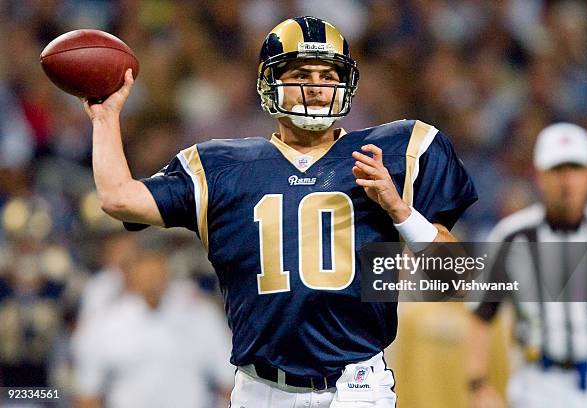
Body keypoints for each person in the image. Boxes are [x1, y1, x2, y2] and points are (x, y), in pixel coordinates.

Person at [82, 16, 477, 407]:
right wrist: (105, 117)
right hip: (261, 389)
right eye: (303, 73)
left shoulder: (391, 153)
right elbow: (118, 198)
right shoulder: (221, 167)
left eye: (328, 75)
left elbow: (458, 278)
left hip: (357, 386)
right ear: (271, 83)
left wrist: (400, 211)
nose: (318, 88)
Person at [469, 123, 587, 407]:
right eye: (557, 170)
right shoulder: (512, 237)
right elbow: (481, 313)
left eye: (575, 168)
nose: (566, 180)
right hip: (538, 384)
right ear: (539, 175)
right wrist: (477, 385)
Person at [72, 250, 234, 408]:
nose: (152, 282)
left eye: (157, 275)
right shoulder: (105, 324)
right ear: (131, 277)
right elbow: (88, 393)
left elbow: (228, 381)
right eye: (146, 275)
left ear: (167, 275)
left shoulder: (200, 317)